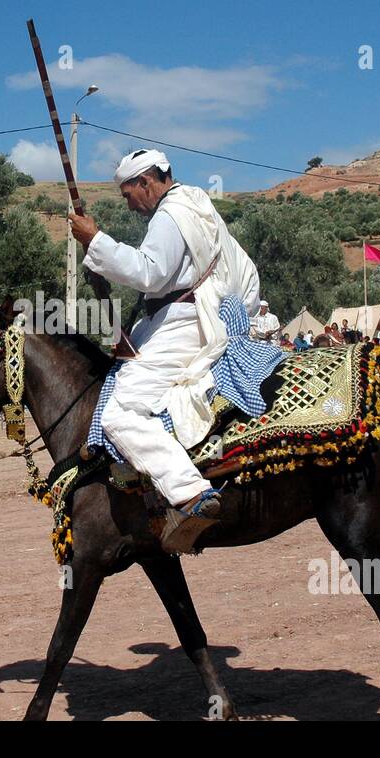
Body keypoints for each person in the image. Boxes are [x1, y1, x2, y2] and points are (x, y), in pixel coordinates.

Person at [74, 148, 259, 552]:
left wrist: (95, 240)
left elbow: (149, 273)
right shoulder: (194, 203)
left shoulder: (170, 213)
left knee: (119, 414)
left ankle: (189, 493)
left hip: (184, 325)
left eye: (128, 194)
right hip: (177, 318)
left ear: (146, 181)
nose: (129, 203)